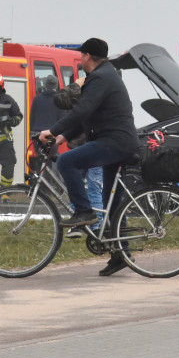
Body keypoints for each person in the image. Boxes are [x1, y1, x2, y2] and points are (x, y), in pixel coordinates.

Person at [38, 37, 139, 277]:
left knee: (66, 161)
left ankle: (84, 211)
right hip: (117, 140)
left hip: (114, 142)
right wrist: (62, 136)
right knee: (111, 200)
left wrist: (52, 131)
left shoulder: (101, 78)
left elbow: (81, 109)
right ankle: (120, 253)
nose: (81, 60)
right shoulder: (106, 74)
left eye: (82, 56)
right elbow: (87, 117)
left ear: (88, 57)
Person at [53, 76, 104, 238]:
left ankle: (92, 226)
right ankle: (87, 224)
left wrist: (76, 84)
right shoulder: (97, 95)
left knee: (87, 187)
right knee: (82, 188)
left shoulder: (88, 96)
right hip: (84, 148)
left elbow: (63, 97)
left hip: (87, 148)